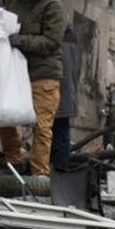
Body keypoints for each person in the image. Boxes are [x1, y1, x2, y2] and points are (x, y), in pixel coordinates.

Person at [0, 0, 64, 175]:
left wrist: (21, 41)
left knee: (42, 127)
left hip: (43, 74)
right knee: (3, 116)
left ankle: (39, 176)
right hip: (16, 73)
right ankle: (13, 163)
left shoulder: (52, 6)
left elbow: (52, 41)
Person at [51, 25, 78, 172]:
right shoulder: (69, 38)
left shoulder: (60, 40)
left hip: (57, 94)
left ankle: (58, 169)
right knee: (61, 133)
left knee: (57, 134)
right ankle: (59, 167)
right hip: (64, 95)